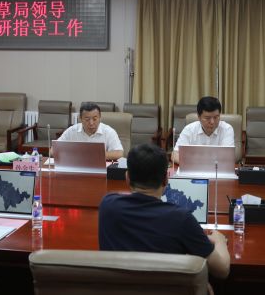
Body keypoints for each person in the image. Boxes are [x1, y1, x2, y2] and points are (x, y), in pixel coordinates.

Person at [99, 143, 230, 279]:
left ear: (127, 177)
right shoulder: (182, 219)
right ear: (166, 179)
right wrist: (220, 241)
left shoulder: (108, 206)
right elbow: (222, 270)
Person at [172, 96, 234, 164]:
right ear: (199, 117)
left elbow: (227, 158)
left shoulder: (227, 129)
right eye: (207, 118)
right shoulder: (189, 129)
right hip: (194, 169)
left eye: (216, 117)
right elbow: (175, 154)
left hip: (218, 169)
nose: (212, 122)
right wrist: (195, 165)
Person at [55, 101, 124, 160]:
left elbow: (119, 153)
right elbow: (54, 150)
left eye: (95, 119)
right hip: (77, 166)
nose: (91, 123)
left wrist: (92, 156)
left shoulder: (109, 131)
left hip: (100, 167)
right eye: (87, 119)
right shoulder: (72, 131)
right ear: (80, 118)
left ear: (100, 118)